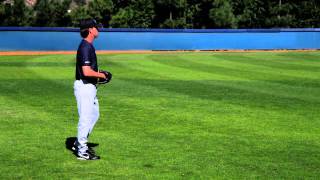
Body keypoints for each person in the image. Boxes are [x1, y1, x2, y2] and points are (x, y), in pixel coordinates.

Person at [73, 19, 106, 160]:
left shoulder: (88, 46)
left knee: (94, 114)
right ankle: (82, 151)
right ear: (90, 30)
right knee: (86, 118)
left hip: (88, 86)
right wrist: (102, 75)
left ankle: (78, 143)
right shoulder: (86, 47)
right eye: (96, 27)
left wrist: (100, 75)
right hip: (85, 86)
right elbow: (86, 71)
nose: (98, 29)